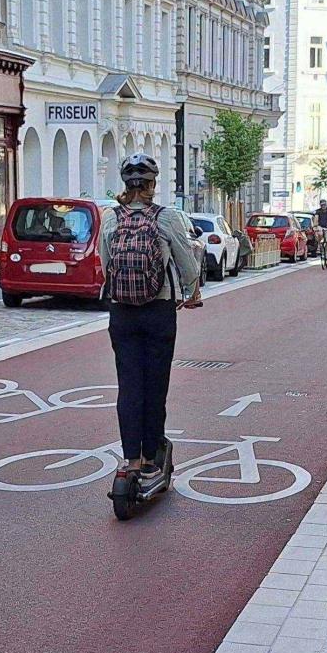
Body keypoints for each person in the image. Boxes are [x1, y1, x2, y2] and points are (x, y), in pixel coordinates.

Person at [99, 155, 203, 480]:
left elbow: (105, 266)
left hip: (122, 314)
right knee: (155, 386)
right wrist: (193, 294)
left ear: (125, 185)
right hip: (158, 311)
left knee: (128, 386)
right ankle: (150, 458)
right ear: (152, 185)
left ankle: (129, 459)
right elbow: (187, 264)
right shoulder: (166, 217)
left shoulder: (110, 218)